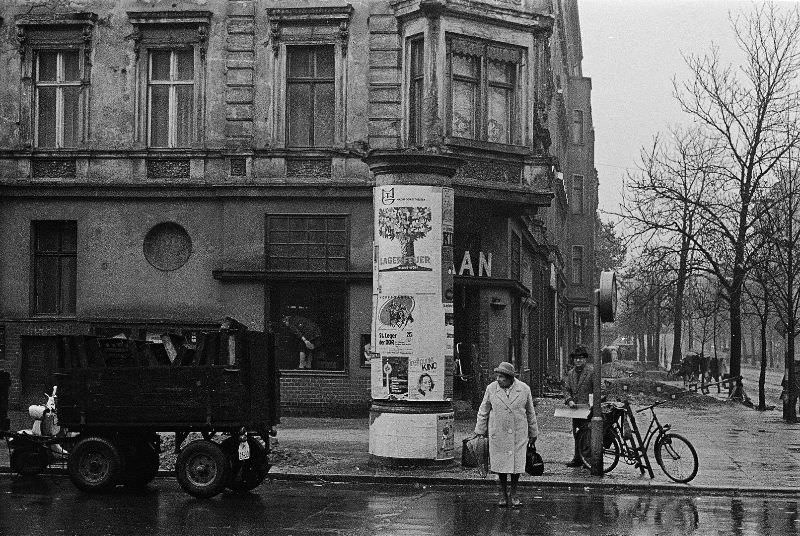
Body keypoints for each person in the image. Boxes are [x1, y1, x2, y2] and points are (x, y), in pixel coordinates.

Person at [474, 361, 538, 507]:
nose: (498, 379)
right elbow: (483, 410)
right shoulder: (491, 389)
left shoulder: (524, 389)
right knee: (501, 465)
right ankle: (503, 493)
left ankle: (513, 493)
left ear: (510, 378)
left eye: (501, 377)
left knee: (516, 466)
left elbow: (530, 412)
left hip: (518, 433)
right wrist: (479, 430)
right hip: (499, 432)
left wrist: (533, 432)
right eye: (497, 376)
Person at [563, 345, 594, 467]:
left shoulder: (592, 372)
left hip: (588, 410)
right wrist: (569, 400)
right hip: (575, 410)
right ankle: (577, 458)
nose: (578, 361)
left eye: (581, 358)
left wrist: (592, 404)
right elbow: (566, 389)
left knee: (587, 435)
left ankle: (587, 460)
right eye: (576, 358)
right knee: (577, 434)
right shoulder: (570, 374)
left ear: (585, 359)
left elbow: (599, 389)